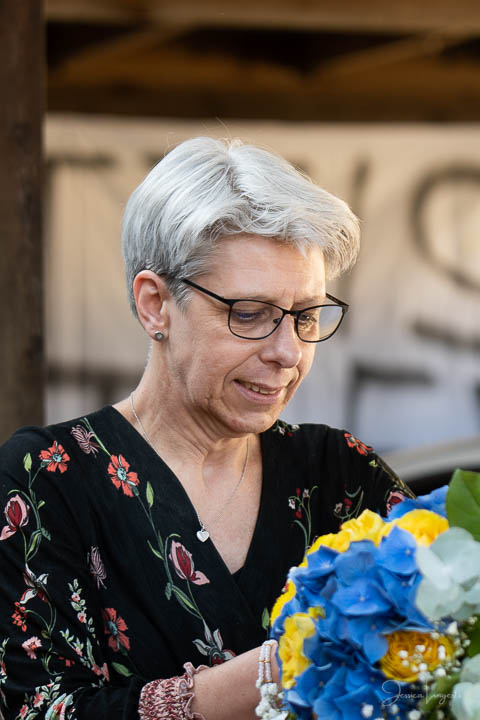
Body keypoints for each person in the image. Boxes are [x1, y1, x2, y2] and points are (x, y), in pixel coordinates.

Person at [0, 137, 413, 720]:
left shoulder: (341, 473)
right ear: (155, 305)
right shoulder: (46, 479)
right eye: (250, 314)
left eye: (306, 316)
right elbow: (36, 709)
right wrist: (280, 669)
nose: (288, 352)